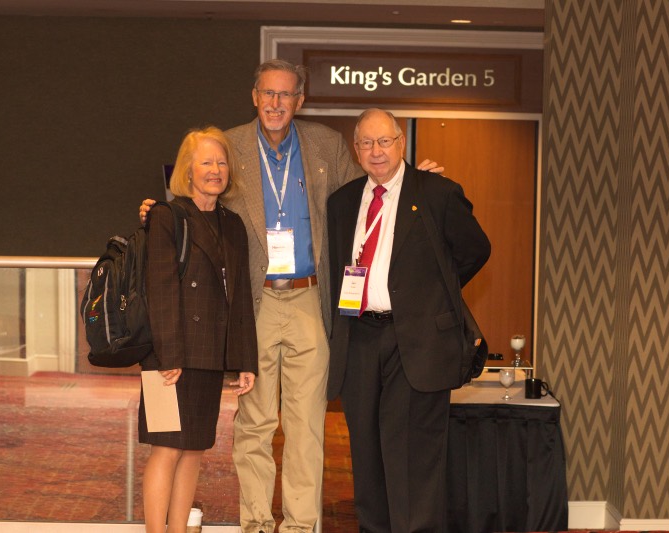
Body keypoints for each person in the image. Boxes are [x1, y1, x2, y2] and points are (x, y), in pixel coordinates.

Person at [140, 59, 443, 533]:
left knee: (306, 424)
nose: (276, 103)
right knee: (255, 422)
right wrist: (154, 208)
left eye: (286, 94)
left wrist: (414, 181)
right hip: (253, 302)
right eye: (268, 93)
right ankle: (257, 523)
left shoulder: (325, 144)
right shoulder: (231, 146)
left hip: (309, 299)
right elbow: (195, 196)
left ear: (300, 100)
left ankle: (302, 525)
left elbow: (370, 190)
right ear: (254, 97)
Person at [326, 108, 491, 533]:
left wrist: (430, 295)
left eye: (385, 141)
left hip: (416, 343)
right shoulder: (342, 202)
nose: (376, 151)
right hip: (359, 340)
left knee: (413, 463)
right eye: (367, 143)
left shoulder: (436, 192)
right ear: (356, 149)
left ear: (401, 144)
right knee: (367, 457)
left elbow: (475, 250)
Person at [140, 126, 258, 533]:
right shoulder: (166, 216)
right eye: (206, 162)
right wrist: (168, 357)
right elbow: (160, 289)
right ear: (187, 170)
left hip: (208, 355)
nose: (215, 170)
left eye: (222, 162)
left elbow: (240, 295)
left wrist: (244, 360)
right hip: (166, 356)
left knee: (193, 451)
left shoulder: (233, 224)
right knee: (165, 449)